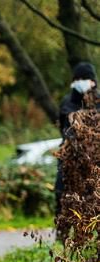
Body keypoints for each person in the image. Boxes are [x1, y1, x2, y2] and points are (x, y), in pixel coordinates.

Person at [55, 62, 99, 216]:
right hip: (69, 157)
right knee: (62, 193)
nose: (81, 82)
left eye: (85, 78)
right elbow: (62, 127)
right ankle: (63, 234)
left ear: (93, 81)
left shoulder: (98, 103)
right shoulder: (67, 103)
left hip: (94, 159)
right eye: (78, 78)